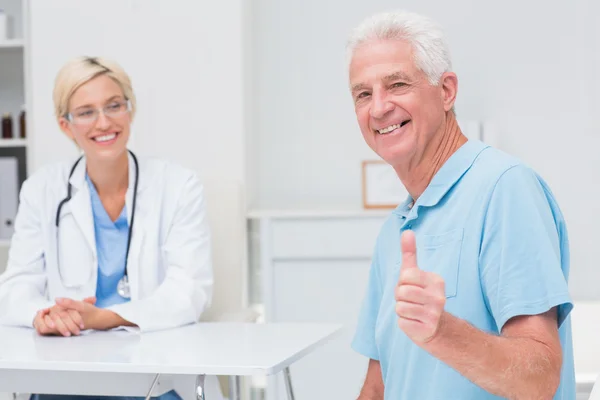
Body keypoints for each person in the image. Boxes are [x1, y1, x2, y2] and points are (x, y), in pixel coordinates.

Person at [347, 10, 575, 400]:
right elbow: (377, 385)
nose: (379, 107)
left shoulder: (505, 190)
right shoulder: (396, 229)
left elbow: (538, 379)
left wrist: (442, 331)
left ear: (447, 91)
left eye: (397, 84)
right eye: (363, 94)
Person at [0, 56, 214, 400]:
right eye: (86, 112)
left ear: (130, 110)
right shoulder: (42, 189)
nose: (104, 122)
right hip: (66, 372)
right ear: (66, 125)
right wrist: (43, 316)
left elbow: (189, 291)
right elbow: (15, 286)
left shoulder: (177, 185)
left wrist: (107, 317)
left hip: (153, 372)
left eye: (114, 105)